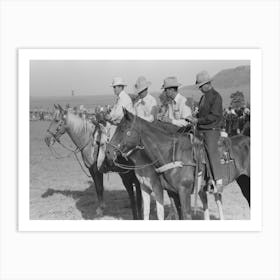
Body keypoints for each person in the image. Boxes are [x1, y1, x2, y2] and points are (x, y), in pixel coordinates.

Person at [187, 71, 224, 191]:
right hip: (201, 129)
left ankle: (218, 181)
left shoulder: (216, 96)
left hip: (211, 130)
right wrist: (194, 115)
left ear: (207, 84)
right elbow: (203, 112)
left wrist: (197, 120)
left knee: (211, 151)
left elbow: (214, 116)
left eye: (201, 86)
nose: (200, 88)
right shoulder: (203, 97)